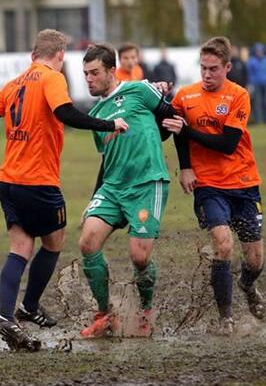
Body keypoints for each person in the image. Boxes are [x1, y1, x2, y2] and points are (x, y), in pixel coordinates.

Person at [0, 29, 129, 351]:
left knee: (20, 247)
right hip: (38, 181)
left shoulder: (16, 82)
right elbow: (65, 113)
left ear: (32, 56)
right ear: (59, 57)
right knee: (54, 242)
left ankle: (6, 316)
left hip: (9, 181)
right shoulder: (52, 78)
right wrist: (109, 124)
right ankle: (28, 306)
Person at [163, 36, 266, 336]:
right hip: (208, 185)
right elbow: (176, 132)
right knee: (223, 245)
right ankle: (226, 319)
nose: (207, 75)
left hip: (244, 183)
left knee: (255, 259)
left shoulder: (238, 96)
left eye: (213, 69)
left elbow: (228, 143)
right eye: (203, 68)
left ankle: (247, 285)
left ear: (227, 67)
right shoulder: (185, 97)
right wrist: (185, 167)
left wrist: (188, 130)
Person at [77, 44, 174, 338]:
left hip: (147, 182)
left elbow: (172, 118)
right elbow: (106, 161)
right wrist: (94, 197)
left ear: (111, 71)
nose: (89, 79)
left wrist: (181, 160)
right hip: (113, 187)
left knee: (139, 257)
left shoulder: (139, 90)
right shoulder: (96, 114)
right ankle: (106, 315)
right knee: (88, 241)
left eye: (94, 73)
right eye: (85, 74)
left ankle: (145, 312)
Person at [246, 43, 266, 124]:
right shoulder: (251, 61)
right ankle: (258, 121)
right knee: (257, 103)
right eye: (257, 51)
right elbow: (249, 73)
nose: (259, 52)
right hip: (256, 85)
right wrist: (252, 82)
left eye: (260, 51)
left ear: (263, 51)